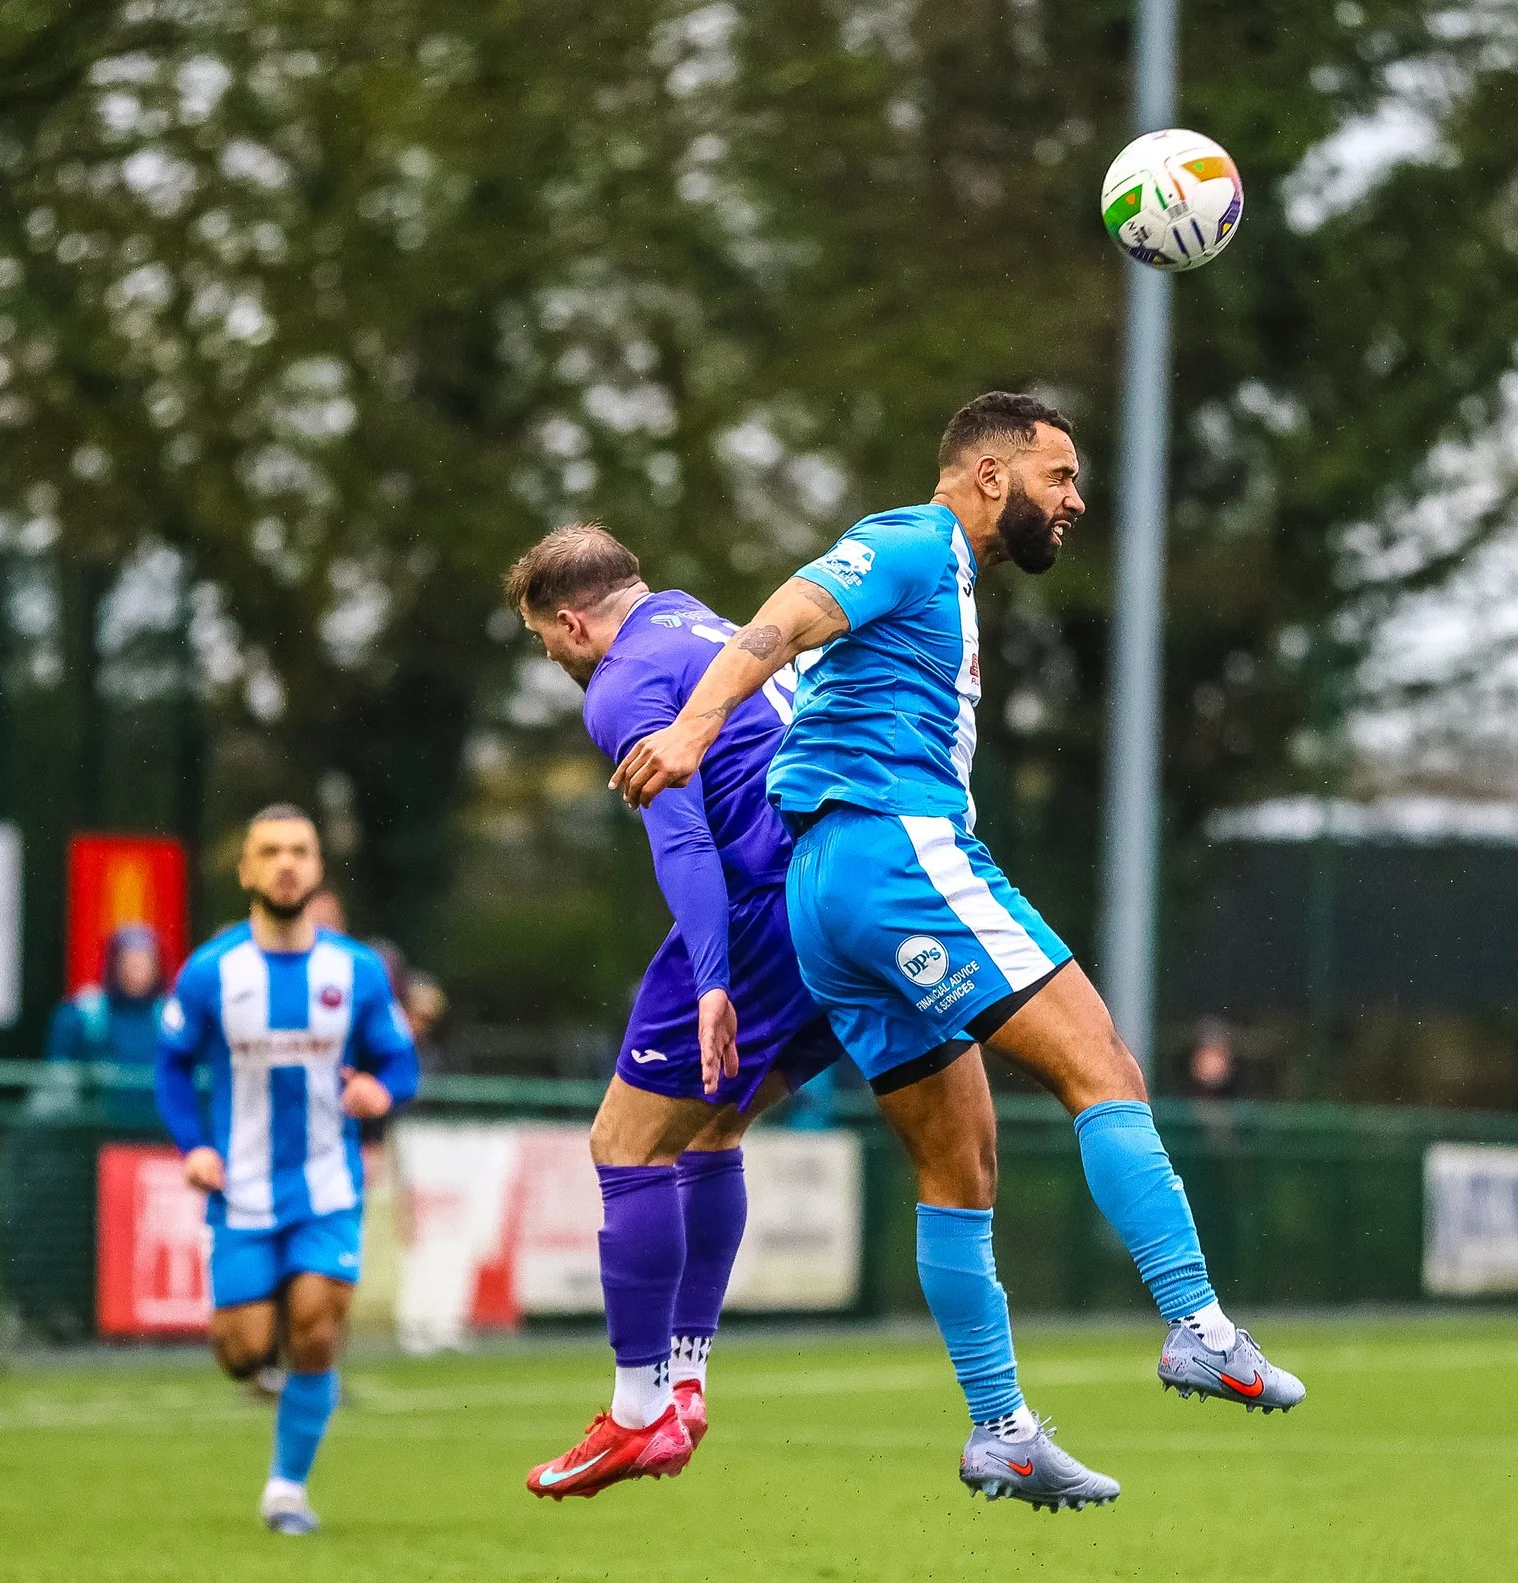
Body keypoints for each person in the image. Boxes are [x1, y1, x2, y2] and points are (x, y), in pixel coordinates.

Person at [611, 392, 1305, 1512]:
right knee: (1103, 1068)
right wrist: (693, 729)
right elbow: (781, 619)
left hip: (825, 889)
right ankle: (1198, 1324)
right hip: (896, 853)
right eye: (1059, 476)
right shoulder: (911, 541)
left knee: (959, 1162)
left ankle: (1001, 1429)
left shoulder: (946, 579)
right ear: (990, 473)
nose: (1075, 500)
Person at [505, 525, 845, 1501]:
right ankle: (686, 1377)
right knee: (711, 1128)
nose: (552, 657)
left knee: (624, 1145)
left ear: (573, 621)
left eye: (544, 637)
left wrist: (710, 979)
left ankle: (637, 1409)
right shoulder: (700, 623)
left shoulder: (621, 681)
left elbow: (686, 840)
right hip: (842, 891)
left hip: (759, 904)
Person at [155, 805, 421, 1535]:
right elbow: (171, 1066)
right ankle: (262, 1327)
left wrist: (380, 1091)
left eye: (299, 850)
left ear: (317, 866)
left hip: (328, 1187)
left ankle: (286, 1491)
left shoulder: (357, 971)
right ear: (246, 870)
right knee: (243, 1352)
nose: (285, 864)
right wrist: (193, 1146)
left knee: (316, 1331)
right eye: (270, 851)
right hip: (240, 1189)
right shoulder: (211, 971)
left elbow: (400, 1061)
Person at [45, 923, 168, 1132]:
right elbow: (59, 1079)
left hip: (157, 1134)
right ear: (114, 964)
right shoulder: (82, 1014)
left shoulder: (172, 1017)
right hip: (95, 1133)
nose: (137, 969)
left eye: (145, 961)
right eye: (129, 961)